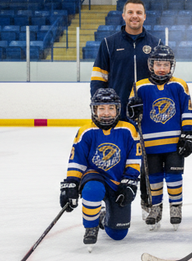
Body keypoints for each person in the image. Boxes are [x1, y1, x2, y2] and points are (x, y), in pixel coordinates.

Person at [59, 88, 141, 251]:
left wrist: (129, 183)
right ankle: (91, 227)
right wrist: (71, 184)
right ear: (94, 110)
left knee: (118, 234)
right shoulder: (86, 131)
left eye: (111, 108)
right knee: (93, 189)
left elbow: (134, 160)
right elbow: (77, 161)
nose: (106, 113)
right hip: (94, 176)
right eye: (101, 108)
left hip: (118, 182)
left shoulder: (129, 130)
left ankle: (102, 217)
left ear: (118, 110)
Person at [126, 45, 192, 231]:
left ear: (171, 65)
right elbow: (132, 117)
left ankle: (175, 207)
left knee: (174, 176)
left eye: (166, 64)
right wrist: (133, 111)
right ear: (151, 65)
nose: (162, 68)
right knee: (153, 178)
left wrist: (188, 134)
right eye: (158, 64)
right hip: (150, 145)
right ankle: (155, 207)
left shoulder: (179, 85)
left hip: (174, 144)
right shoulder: (139, 87)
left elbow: (187, 110)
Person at [91, 0, 162, 114]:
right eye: (130, 12)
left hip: (150, 110)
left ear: (144, 16)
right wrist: (100, 106)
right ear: (123, 16)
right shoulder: (108, 44)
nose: (135, 16)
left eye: (139, 13)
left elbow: (163, 79)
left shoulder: (156, 44)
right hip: (117, 112)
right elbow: (98, 79)